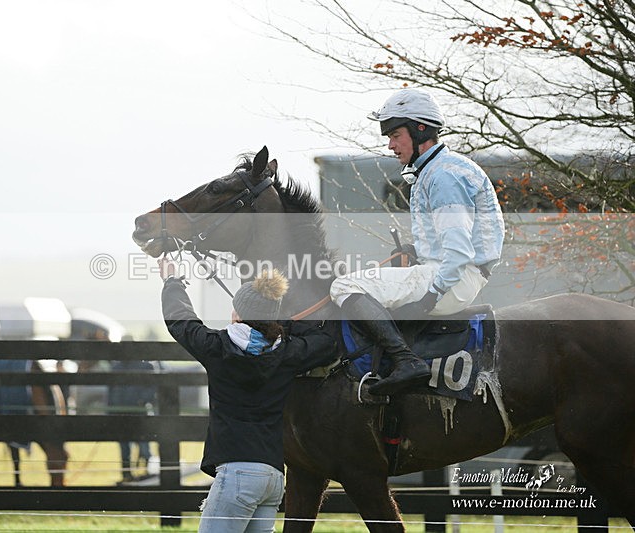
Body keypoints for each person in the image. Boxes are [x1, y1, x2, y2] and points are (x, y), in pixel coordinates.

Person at [330, 87, 505, 396]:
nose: (390, 145)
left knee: (344, 285)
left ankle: (406, 361)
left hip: (453, 279)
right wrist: (416, 251)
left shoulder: (443, 176)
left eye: (395, 135)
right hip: (454, 274)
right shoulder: (436, 170)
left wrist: (431, 295)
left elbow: (459, 251)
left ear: (420, 129)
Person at [159, 259, 337, 533]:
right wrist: (283, 325)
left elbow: (181, 322)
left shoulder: (216, 347)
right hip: (273, 476)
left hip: (237, 473)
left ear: (237, 315)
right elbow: (326, 342)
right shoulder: (288, 353)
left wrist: (172, 282)